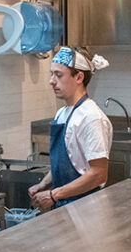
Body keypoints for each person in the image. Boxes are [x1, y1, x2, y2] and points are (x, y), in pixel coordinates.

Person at [28, 46, 113, 211]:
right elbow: (69, 162)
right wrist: (44, 184)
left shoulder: (91, 117)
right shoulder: (62, 113)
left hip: (87, 209)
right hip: (65, 206)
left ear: (79, 77)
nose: (51, 81)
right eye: (51, 74)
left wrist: (54, 194)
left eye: (58, 75)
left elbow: (98, 173)